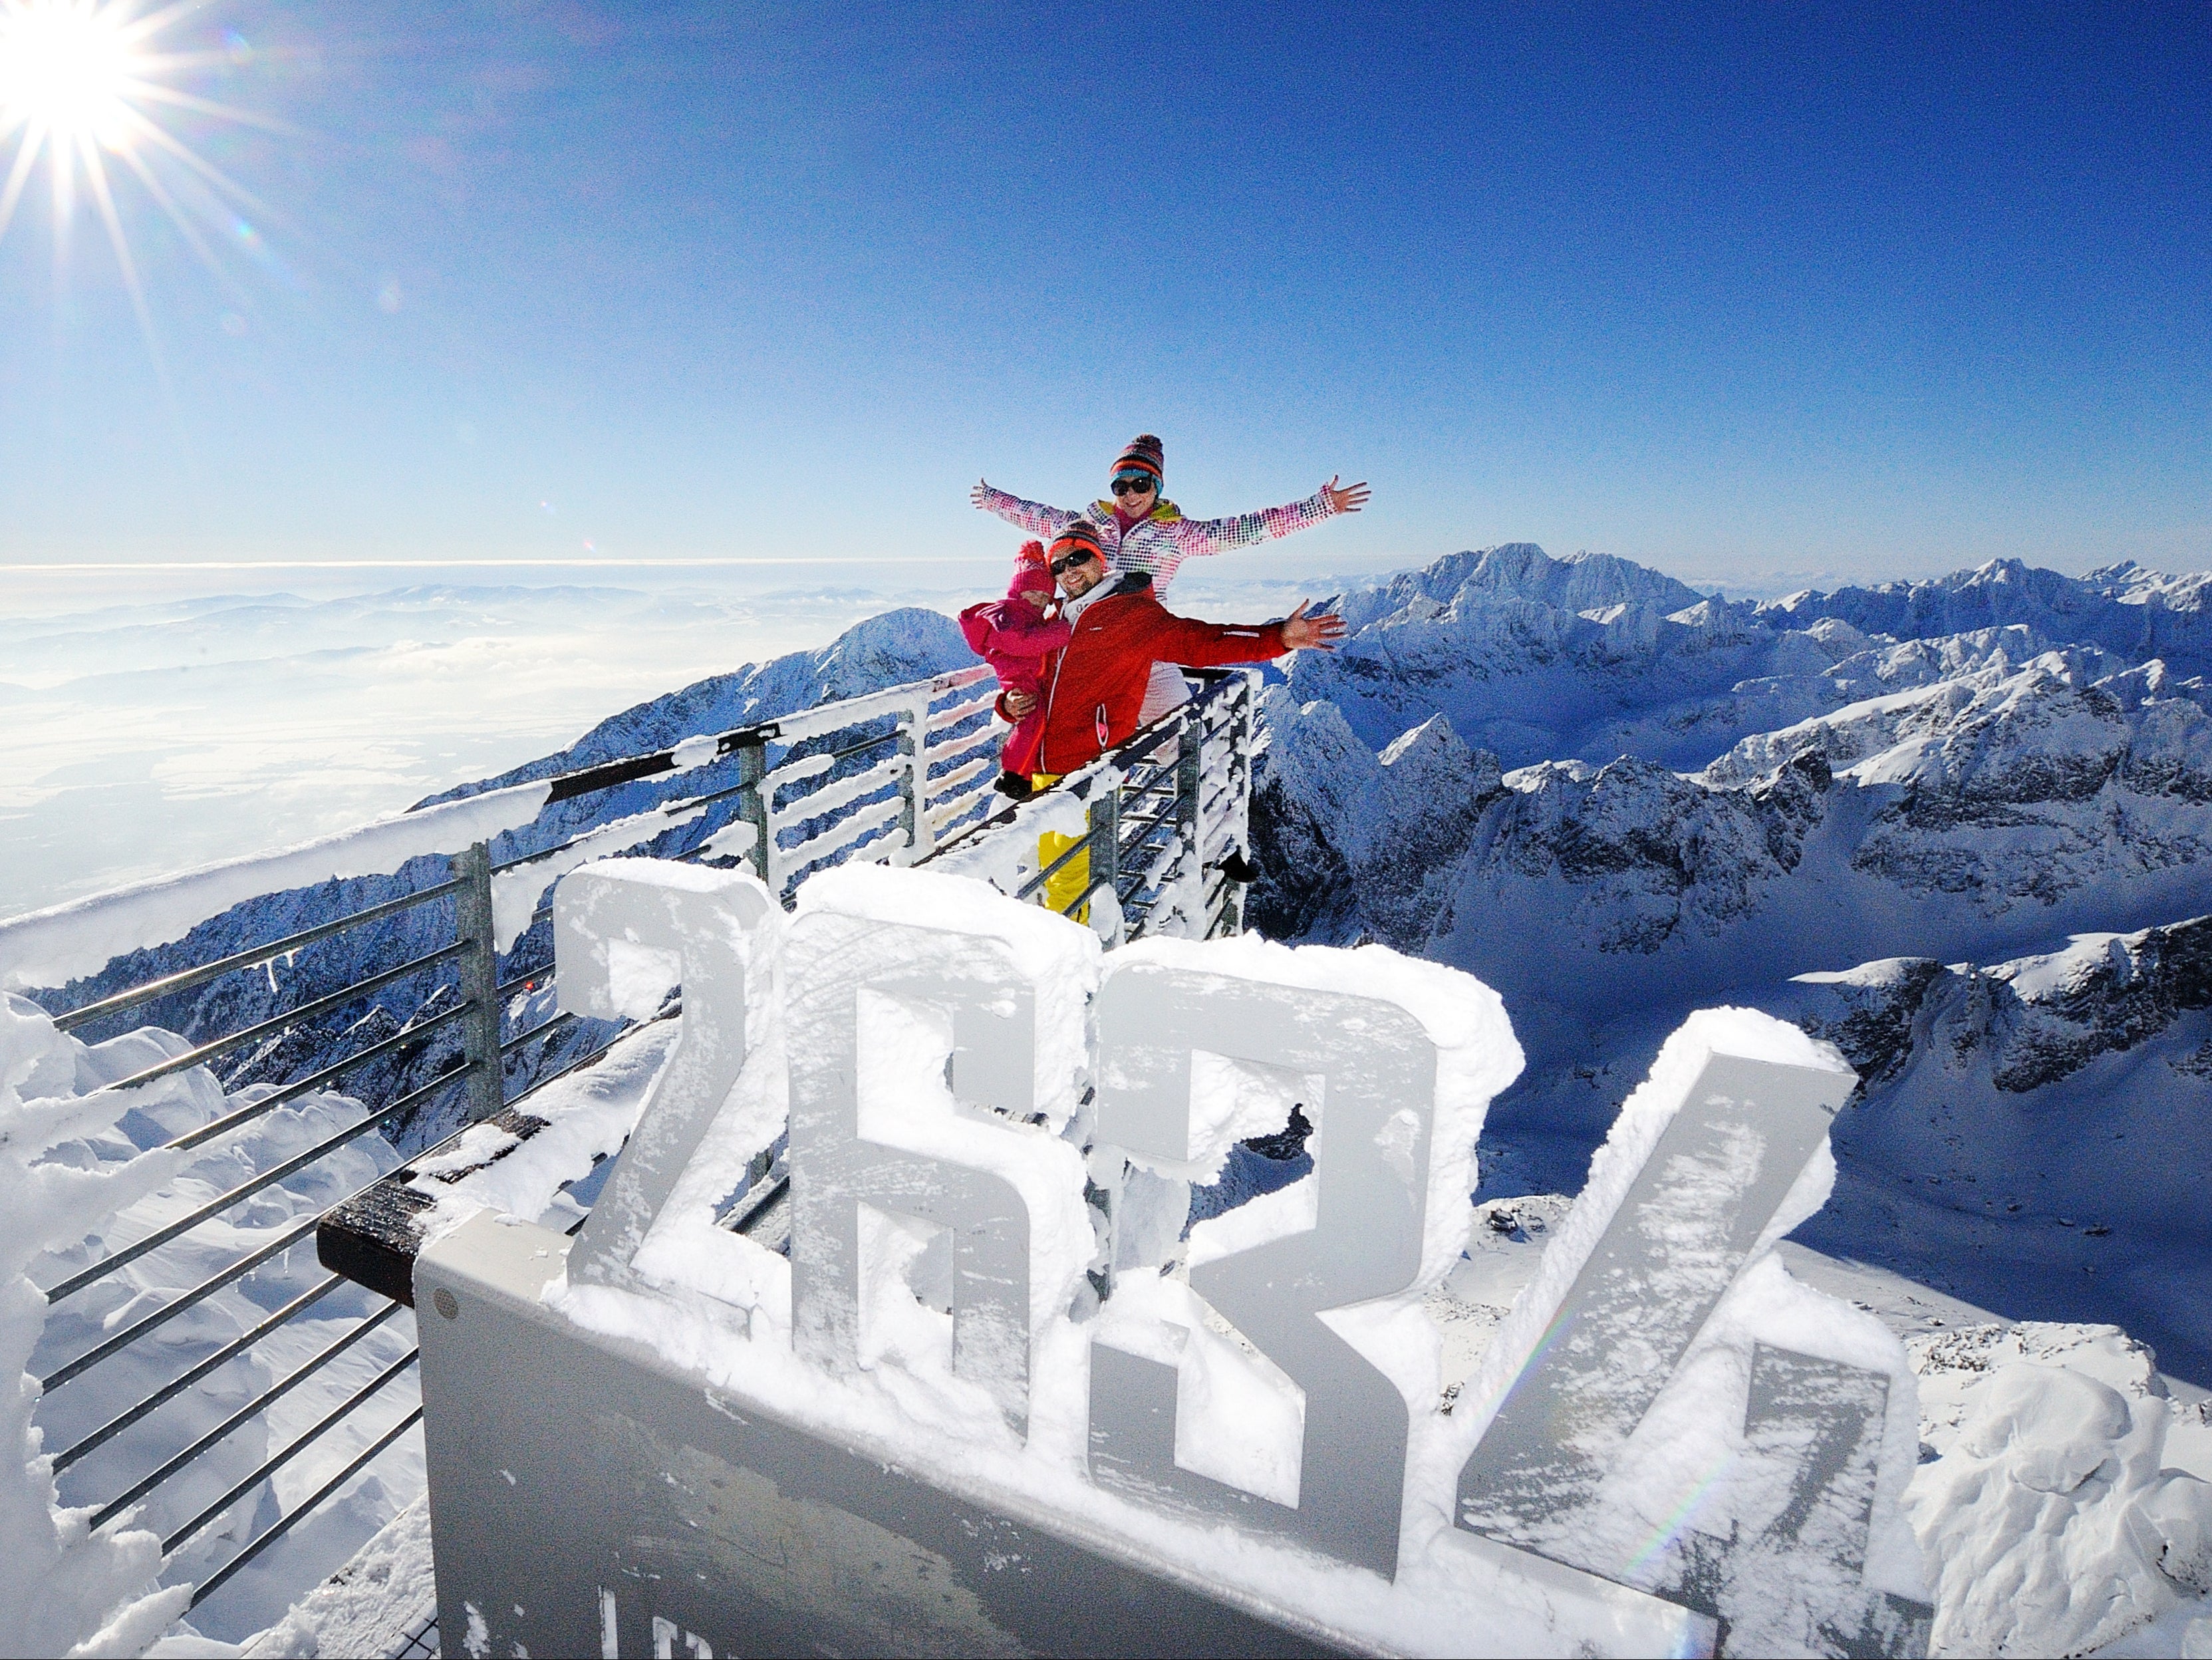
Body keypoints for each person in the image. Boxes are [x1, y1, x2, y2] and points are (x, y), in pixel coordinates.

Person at [1000, 519, 1347, 781]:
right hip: (1035, 765)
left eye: (1077, 558)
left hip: (1086, 767)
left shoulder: (1131, 613)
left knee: (1071, 874)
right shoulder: (1052, 619)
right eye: (1058, 566)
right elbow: (1027, 679)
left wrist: (1276, 637)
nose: (1069, 570)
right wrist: (1008, 704)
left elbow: (1200, 642)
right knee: (1040, 870)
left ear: (1099, 560)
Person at [971, 433, 1371, 594]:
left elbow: (1251, 529)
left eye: (1141, 485)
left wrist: (1320, 507)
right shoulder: (1086, 525)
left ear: (1157, 488)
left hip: (1140, 632)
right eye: (1121, 486)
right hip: (1084, 629)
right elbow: (1034, 515)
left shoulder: (1178, 533)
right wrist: (991, 499)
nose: (1130, 494)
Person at [957, 541, 1073, 798]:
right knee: (1032, 718)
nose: (1040, 602)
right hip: (1020, 676)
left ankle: (1019, 774)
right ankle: (1012, 774)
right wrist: (1066, 630)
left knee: (1035, 719)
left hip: (1030, 678)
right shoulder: (1006, 616)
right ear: (1018, 591)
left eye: (1045, 597)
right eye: (1034, 594)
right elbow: (1022, 643)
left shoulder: (1032, 618)